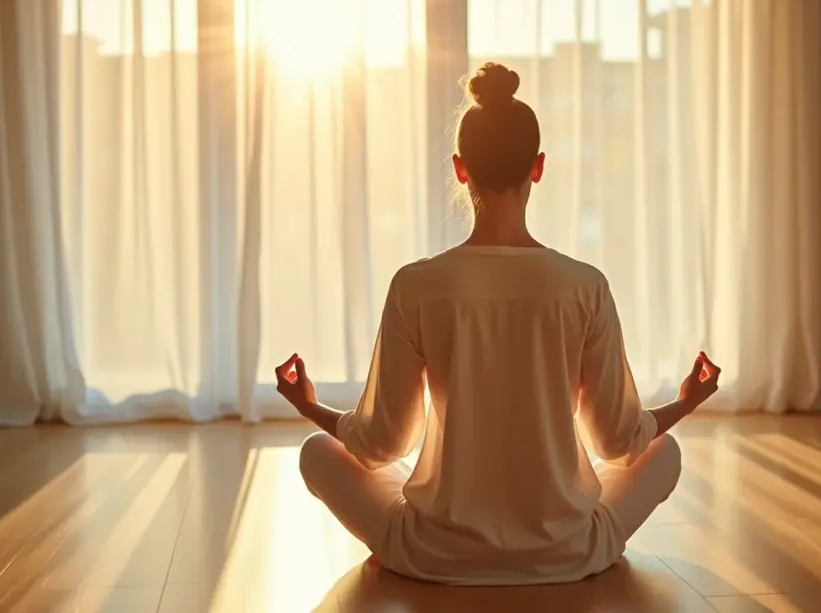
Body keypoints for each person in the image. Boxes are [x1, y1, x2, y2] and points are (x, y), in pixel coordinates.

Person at [275, 62, 721, 586]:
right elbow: (620, 442)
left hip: (431, 553)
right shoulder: (584, 285)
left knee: (315, 454)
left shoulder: (416, 285)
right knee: (663, 452)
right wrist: (687, 400)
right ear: (538, 167)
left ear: (461, 169)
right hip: (569, 553)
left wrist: (308, 405)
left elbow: (380, 445)